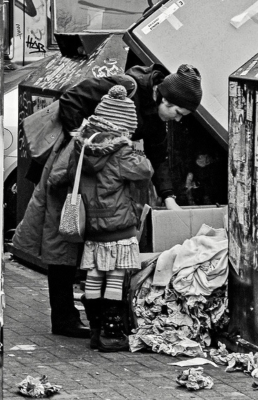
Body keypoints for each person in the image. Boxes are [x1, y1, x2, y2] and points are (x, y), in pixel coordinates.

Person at [12, 63, 202, 338]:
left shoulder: (157, 119)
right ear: (163, 97)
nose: (177, 118)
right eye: (177, 111)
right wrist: (89, 146)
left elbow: (158, 157)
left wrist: (169, 197)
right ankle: (63, 317)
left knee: (88, 242)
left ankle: (91, 315)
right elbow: (70, 100)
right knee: (62, 236)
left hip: (99, 180)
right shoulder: (126, 86)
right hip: (72, 172)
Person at [68, 85, 153, 351]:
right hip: (117, 225)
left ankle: (95, 332)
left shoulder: (82, 145)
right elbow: (145, 170)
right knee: (115, 276)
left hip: (92, 225)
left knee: (93, 275)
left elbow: (71, 175)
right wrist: (134, 148)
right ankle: (111, 334)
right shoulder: (121, 152)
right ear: (123, 126)